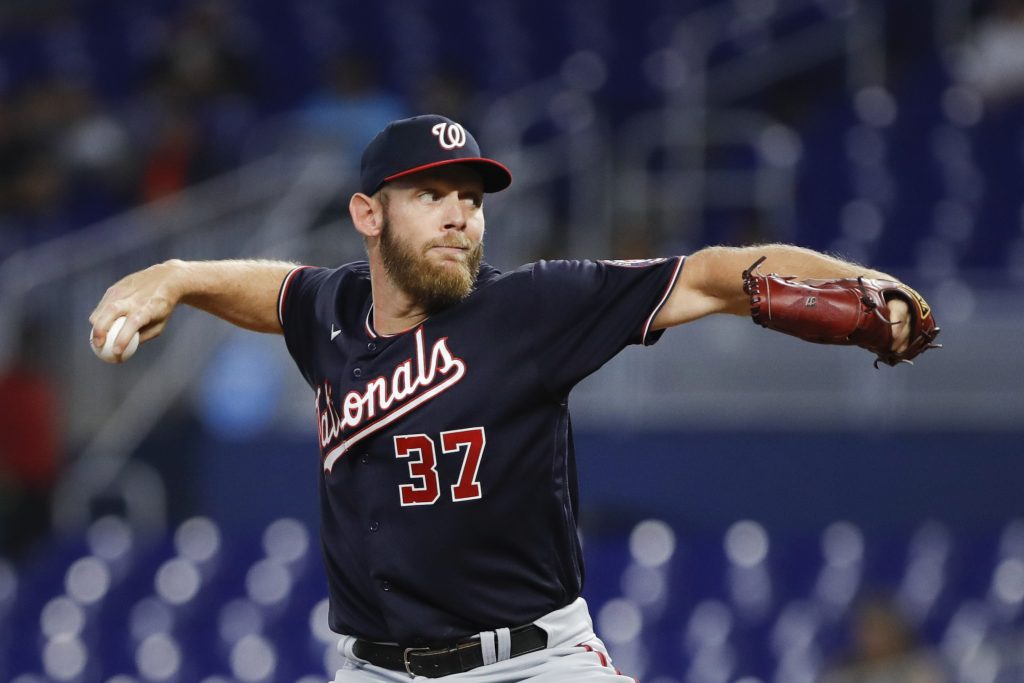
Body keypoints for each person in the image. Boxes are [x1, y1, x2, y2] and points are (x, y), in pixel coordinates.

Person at [89, 114, 937, 681]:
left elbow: (713, 274)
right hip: (373, 667)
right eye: (431, 194)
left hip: (531, 664)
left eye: (471, 197)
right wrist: (180, 275)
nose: (460, 214)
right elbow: (270, 290)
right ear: (368, 214)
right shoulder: (334, 310)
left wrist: (865, 282)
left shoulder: (531, 307)